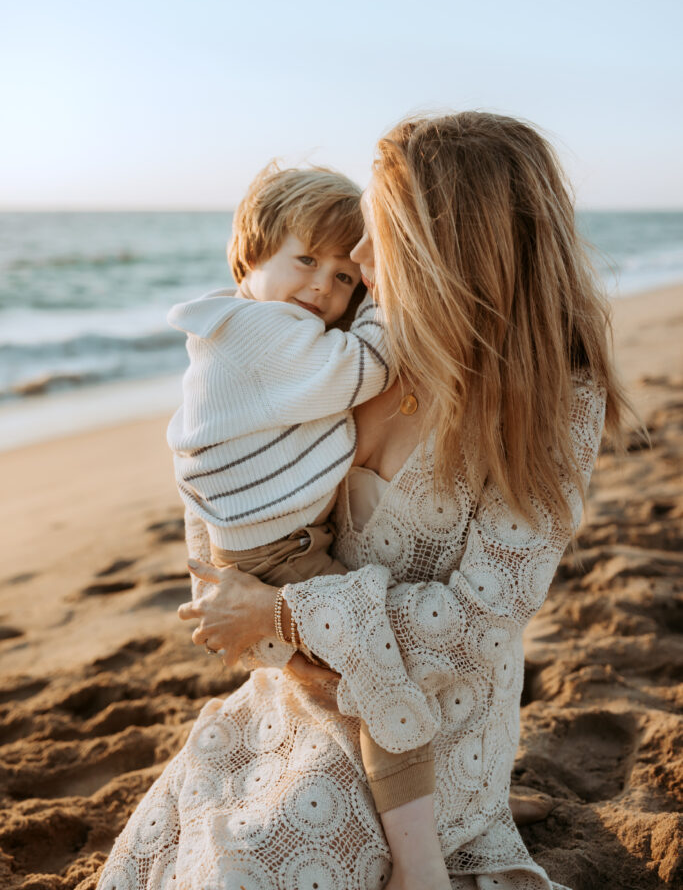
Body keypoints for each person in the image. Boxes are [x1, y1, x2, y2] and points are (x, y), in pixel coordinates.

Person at [97, 112, 629, 890]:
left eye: (379, 231)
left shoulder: (555, 402)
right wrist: (259, 617)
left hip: (433, 719)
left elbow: (479, 627)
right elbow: (229, 544)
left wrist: (280, 615)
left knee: (248, 867)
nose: (353, 259)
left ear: (448, 245)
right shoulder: (331, 352)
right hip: (299, 693)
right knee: (172, 849)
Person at [165, 161, 448, 887]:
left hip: (265, 541)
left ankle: (432, 811)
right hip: (283, 553)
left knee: (337, 687)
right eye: (304, 261)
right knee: (385, 683)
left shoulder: (244, 331)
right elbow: (363, 367)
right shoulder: (259, 332)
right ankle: (421, 865)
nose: (324, 284)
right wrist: (385, 295)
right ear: (249, 257)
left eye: (345, 276)